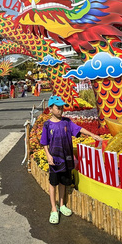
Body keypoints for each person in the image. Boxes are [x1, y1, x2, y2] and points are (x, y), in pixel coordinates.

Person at [40, 95, 103, 225]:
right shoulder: (47, 125)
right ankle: (53, 208)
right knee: (53, 184)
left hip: (66, 158)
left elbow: (79, 129)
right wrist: (48, 156)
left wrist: (92, 135)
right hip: (54, 160)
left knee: (63, 182)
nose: (61, 110)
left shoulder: (67, 122)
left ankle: (62, 204)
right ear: (50, 109)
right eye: (58, 108)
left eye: (62, 108)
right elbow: (44, 143)